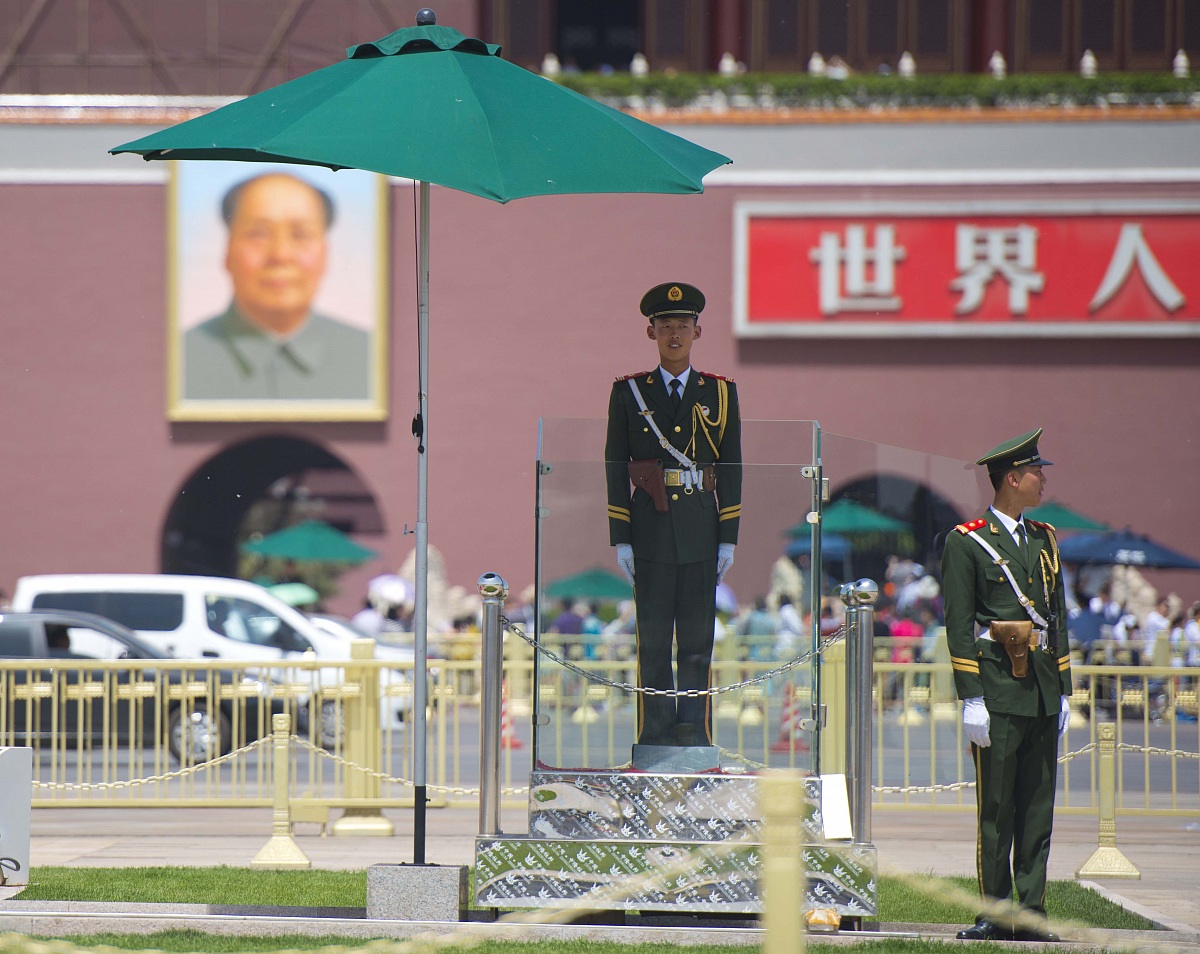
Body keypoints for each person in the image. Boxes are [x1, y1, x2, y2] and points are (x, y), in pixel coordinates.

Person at [941, 428, 1073, 943]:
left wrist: (1063, 686)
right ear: (1012, 479)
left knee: (1038, 806)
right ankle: (993, 912)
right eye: (1036, 472)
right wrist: (970, 696)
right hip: (996, 689)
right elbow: (957, 624)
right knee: (996, 809)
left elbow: (1055, 617)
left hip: (1040, 688)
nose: (1043, 480)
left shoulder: (1044, 538)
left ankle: (1032, 910)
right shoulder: (967, 541)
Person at [605, 281, 742, 748]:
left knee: (698, 641)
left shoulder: (721, 393)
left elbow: (732, 465)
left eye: (683, 325)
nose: (675, 334)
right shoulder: (629, 393)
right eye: (666, 326)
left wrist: (729, 535)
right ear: (652, 333)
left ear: (698, 331)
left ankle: (694, 728)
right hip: (650, 525)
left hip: (702, 524)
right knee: (655, 641)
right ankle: (656, 727)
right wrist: (620, 535)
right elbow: (613, 465)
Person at [183, 172, 371, 401]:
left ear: (325, 253)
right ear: (228, 251)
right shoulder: (180, 358)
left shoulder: (371, 358)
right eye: (258, 234)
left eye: (301, 235)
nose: (281, 255)